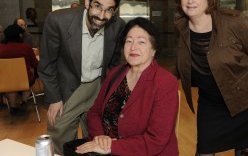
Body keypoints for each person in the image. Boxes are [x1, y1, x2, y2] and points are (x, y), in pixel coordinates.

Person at [172, 0, 248, 156]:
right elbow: (182, 62)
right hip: (211, 103)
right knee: (204, 149)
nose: (190, 0)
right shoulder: (180, 27)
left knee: (244, 151)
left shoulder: (234, 23)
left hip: (246, 101)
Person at [38, 0, 126, 155]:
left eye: (109, 10)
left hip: (97, 86)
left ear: (115, 11)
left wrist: (113, 97)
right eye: (97, 6)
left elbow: (115, 64)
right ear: (87, 2)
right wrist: (54, 98)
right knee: (60, 138)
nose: (102, 16)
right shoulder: (58, 21)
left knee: (96, 139)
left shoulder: (117, 26)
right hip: (67, 88)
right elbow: (47, 64)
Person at [74, 17, 179, 155]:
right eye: (129, 41)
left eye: (141, 42)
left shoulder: (165, 82)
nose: (133, 47)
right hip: (103, 149)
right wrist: (100, 137)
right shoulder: (116, 73)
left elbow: (156, 140)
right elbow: (95, 112)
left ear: (154, 49)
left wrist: (112, 147)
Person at [0, 24, 38, 115]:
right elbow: (35, 64)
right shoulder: (26, 47)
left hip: (5, 81)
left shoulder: (0, 48)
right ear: (20, 35)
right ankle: (24, 102)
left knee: (11, 82)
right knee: (30, 75)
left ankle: (13, 106)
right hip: (24, 80)